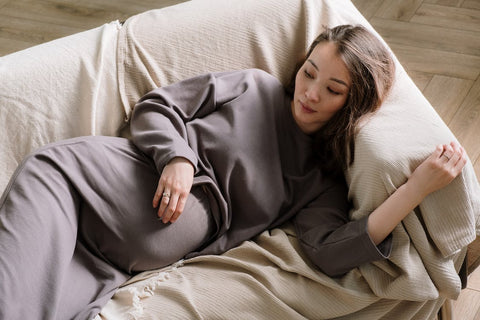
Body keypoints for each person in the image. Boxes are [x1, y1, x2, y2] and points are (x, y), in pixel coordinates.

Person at [0, 25, 466, 320]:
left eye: (333, 89)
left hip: (138, 238)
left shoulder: (318, 180)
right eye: (308, 72)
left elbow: (329, 252)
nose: (310, 92)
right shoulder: (254, 86)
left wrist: (413, 191)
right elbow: (157, 109)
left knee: (45, 191)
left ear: (353, 103)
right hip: (115, 190)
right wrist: (177, 158)